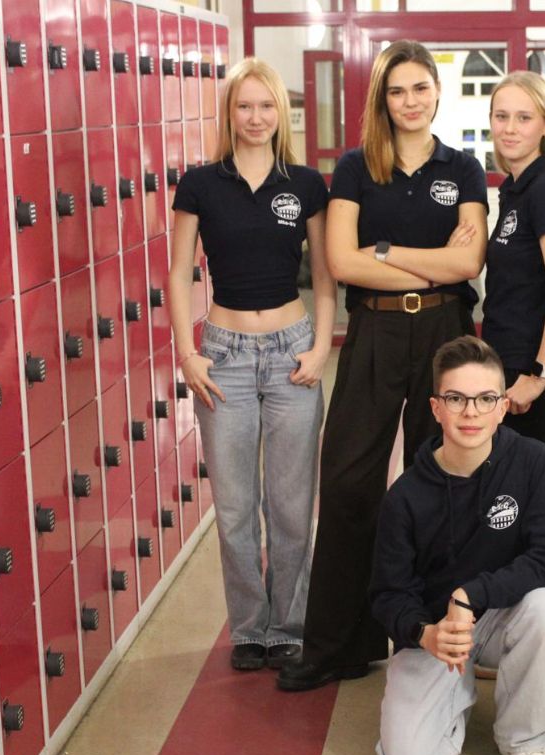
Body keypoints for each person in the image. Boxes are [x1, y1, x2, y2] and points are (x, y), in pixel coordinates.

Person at [279, 41, 488, 691]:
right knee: (348, 481)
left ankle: (430, 636)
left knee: (440, 480)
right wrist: (427, 261)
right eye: (397, 91)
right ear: (382, 99)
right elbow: (341, 262)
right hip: (373, 328)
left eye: (420, 88)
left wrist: (386, 250)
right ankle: (337, 645)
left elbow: (468, 263)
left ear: (437, 92)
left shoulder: (463, 167)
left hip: (444, 333)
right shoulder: (355, 167)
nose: (409, 101)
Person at [167, 57, 334, 671]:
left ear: (281, 114)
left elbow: (325, 276)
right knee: (235, 508)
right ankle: (248, 629)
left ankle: (288, 625)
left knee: (290, 506)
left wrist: (320, 345)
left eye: (267, 106)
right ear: (230, 113)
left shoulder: (306, 184)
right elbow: (178, 274)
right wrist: (188, 352)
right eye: (245, 106)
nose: (256, 117)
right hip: (224, 357)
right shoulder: (200, 184)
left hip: (292, 352)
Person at [370, 336, 545, 755]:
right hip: (437, 633)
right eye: (456, 399)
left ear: (502, 407)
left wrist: (470, 595)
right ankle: (453, 690)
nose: (471, 412)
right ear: (436, 408)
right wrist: (423, 633)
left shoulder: (531, 460)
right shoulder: (405, 496)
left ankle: (524, 738)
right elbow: (387, 594)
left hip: (505, 618)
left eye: (485, 399)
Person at [483, 71, 545, 571]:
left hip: (539, 378)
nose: (510, 127)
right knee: (511, 510)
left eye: (523, 117)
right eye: (501, 116)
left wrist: (539, 375)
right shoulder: (514, 189)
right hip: (510, 370)